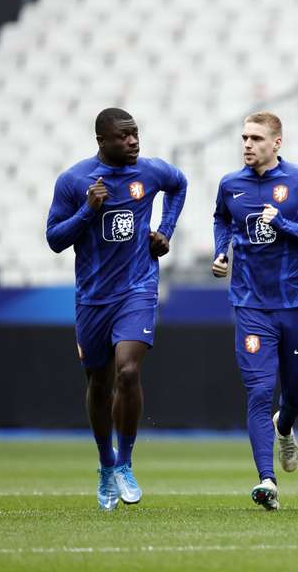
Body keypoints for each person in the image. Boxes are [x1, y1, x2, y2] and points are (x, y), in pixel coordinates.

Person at [46, 108, 187, 510]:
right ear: (102, 141)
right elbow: (55, 239)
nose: (133, 142)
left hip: (138, 288)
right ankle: (106, 464)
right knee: (99, 380)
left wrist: (166, 230)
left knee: (128, 369)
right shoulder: (75, 181)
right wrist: (87, 211)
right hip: (93, 296)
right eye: (123, 137)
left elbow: (180, 184)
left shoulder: (152, 172)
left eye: (136, 134)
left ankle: (125, 462)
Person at [212, 111, 298, 511]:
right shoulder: (231, 185)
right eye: (244, 137)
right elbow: (222, 220)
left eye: (257, 138)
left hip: (295, 303)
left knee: (294, 395)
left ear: (276, 143)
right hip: (250, 304)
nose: (248, 144)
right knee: (260, 390)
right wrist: (221, 252)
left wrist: (284, 225)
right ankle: (267, 480)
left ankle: (286, 428)